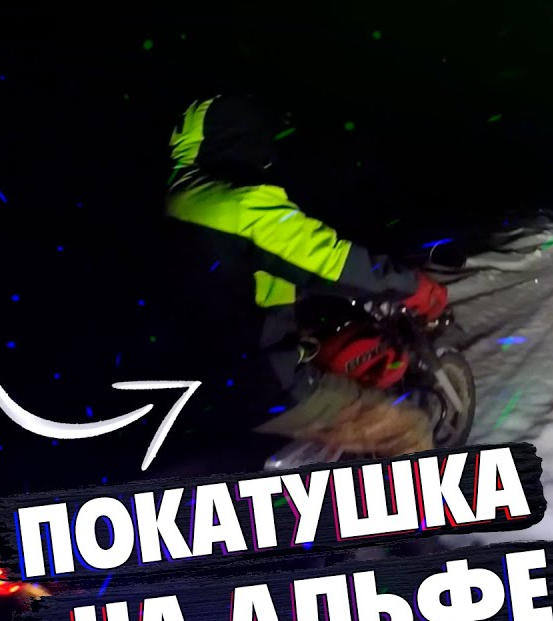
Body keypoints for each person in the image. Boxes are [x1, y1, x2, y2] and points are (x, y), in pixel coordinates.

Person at [163, 94, 448, 458]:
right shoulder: (240, 205)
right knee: (407, 427)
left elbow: (234, 278)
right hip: (255, 384)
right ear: (240, 137)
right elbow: (330, 261)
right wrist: (411, 286)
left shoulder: (179, 201)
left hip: (190, 380)